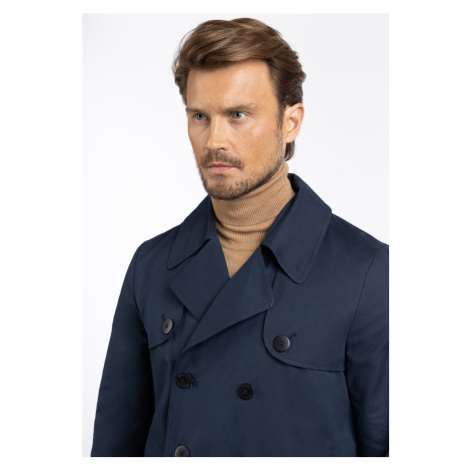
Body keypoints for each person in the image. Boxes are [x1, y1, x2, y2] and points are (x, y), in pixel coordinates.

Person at [91, 17, 389, 457]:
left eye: (237, 115)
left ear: (291, 122)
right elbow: (116, 445)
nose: (214, 140)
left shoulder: (367, 270)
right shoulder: (151, 265)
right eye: (200, 116)